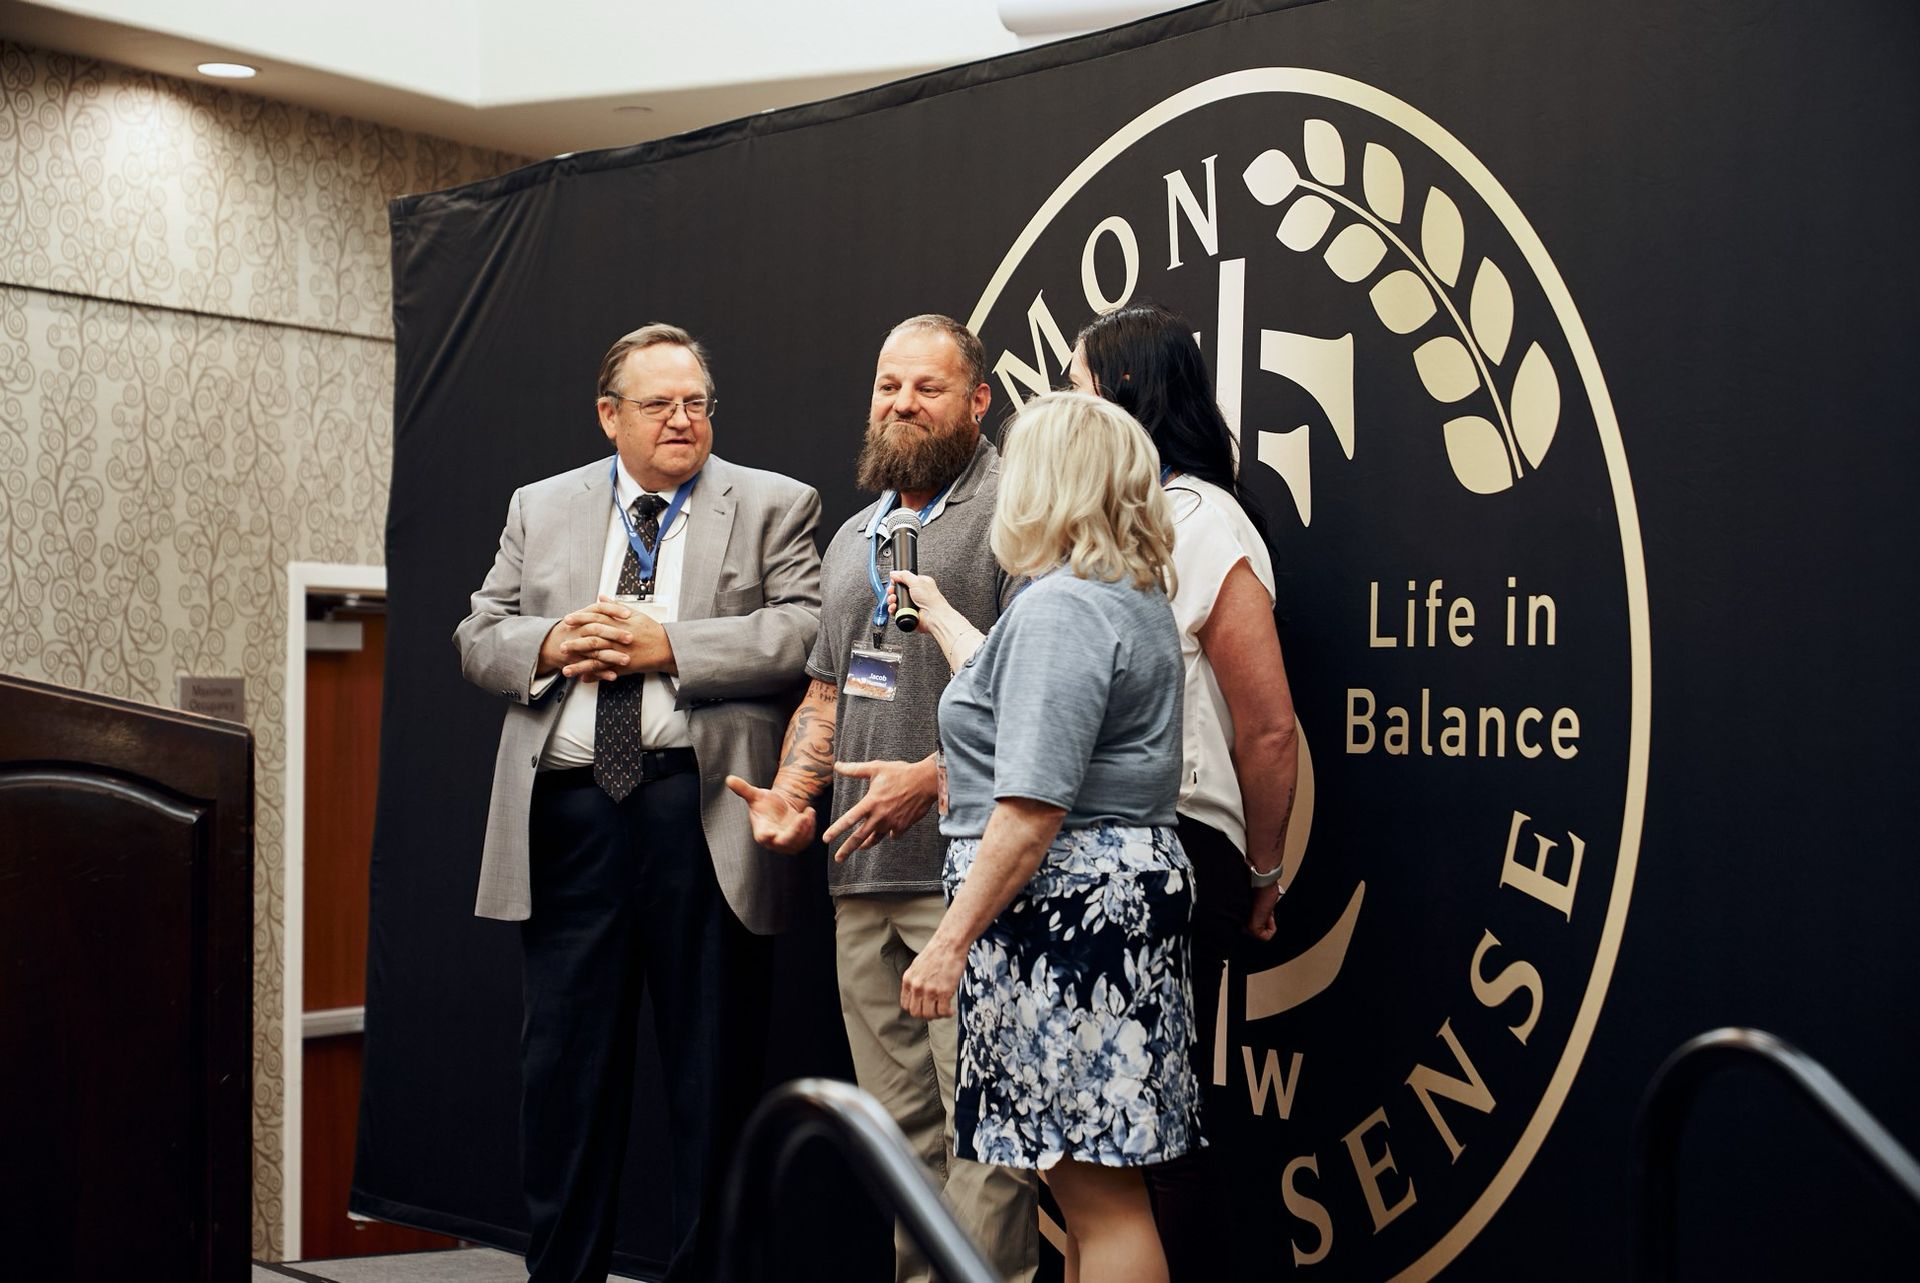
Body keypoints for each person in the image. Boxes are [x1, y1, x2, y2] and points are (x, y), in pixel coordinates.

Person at [454, 323, 822, 1283]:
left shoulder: (776, 504)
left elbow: (809, 630)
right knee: (567, 1078)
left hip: (696, 816)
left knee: (713, 1078)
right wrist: (549, 642)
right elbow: (477, 631)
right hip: (569, 821)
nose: (684, 419)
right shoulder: (541, 507)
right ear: (609, 415)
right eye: (660, 404)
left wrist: (671, 647)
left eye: (697, 401)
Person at [725, 315, 1037, 1283]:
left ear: (977, 400)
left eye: (927, 388)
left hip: (969, 876)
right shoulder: (857, 533)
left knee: (988, 1139)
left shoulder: (1015, 514)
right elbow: (827, 688)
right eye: (887, 385)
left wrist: (935, 775)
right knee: (900, 1143)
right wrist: (788, 794)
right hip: (858, 881)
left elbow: (1044, 700)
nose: (901, 403)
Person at [893, 391, 1195, 1283]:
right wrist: (946, 619)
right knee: (1094, 1185)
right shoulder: (1118, 595)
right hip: (1097, 904)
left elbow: (1030, 812)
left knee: (1099, 1198)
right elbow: (1025, 721)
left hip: (1065, 913)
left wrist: (948, 944)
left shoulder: (1065, 606)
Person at [1069, 302, 1300, 1282]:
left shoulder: (1205, 522)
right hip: (1086, 848)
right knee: (1095, 1133)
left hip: (1171, 845)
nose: (1062, 410)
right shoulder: (1101, 534)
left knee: (1151, 1125)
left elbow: (1270, 727)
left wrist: (1263, 872)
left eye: (1076, 388)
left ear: (1125, 397)